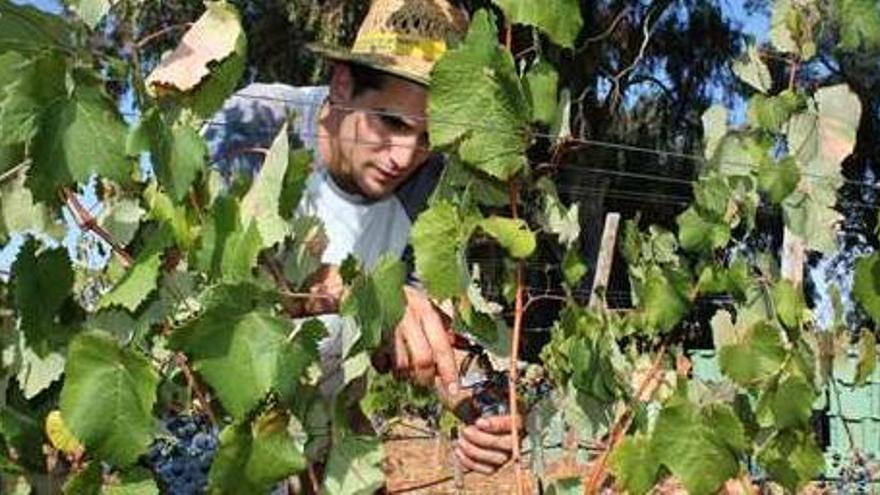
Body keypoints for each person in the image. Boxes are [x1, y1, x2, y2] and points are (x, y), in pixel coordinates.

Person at [207, 0, 518, 476]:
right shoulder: (256, 121)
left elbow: (430, 323)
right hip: (209, 425)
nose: (403, 156)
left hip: (318, 432)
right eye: (390, 122)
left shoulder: (426, 186)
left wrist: (479, 405)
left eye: (427, 136)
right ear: (343, 84)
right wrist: (372, 298)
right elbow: (223, 274)